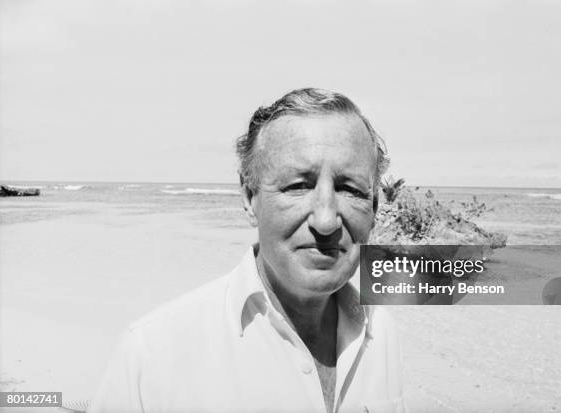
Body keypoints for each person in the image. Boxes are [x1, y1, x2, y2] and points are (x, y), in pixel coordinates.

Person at [88, 88, 406, 413]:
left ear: (374, 207)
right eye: (297, 186)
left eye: (350, 189)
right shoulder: (152, 356)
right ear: (249, 198)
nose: (325, 221)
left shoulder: (381, 332)